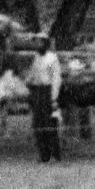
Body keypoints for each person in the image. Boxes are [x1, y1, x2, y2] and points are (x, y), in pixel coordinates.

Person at [24, 35, 64, 164]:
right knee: (38, 124)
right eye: (36, 42)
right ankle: (43, 156)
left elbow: (56, 79)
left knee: (49, 124)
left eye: (40, 42)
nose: (37, 45)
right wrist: (26, 81)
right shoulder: (36, 57)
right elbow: (32, 75)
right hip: (37, 93)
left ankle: (55, 155)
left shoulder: (52, 58)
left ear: (45, 44)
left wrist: (53, 98)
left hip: (48, 92)